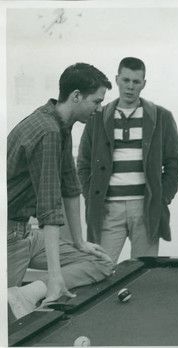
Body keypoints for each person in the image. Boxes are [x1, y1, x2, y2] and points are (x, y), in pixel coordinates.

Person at [7, 63, 114, 321]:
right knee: (7, 324)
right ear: (76, 96)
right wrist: (55, 278)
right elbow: (49, 209)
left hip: (26, 235)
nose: (99, 109)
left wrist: (79, 242)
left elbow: (70, 187)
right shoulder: (48, 131)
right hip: (8, 239)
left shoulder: (59, 124)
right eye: (96, 101)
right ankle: (28, 293)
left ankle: (30, 292)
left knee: (102, 262)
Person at [77, 57, 178, 264]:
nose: (130, 87)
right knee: (100, 269)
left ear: (144, 83)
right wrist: (93, 197)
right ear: (117, 80)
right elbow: (83, 164)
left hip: (145, 208)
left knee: (144, 272)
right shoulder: (98, 117)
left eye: (136, 82)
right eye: (126, 80)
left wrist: (161, 197)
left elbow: (175, 163)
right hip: (108, 208)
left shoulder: (161, 117)